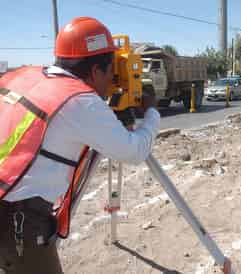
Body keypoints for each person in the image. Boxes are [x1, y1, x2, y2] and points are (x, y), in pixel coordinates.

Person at [0, 17, 160, 274]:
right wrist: (151, 113)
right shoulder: (80, 101)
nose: (113, 79)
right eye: (111, 71)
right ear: (96, 71)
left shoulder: (25, 76)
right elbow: (134, 151)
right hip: (17, 220)